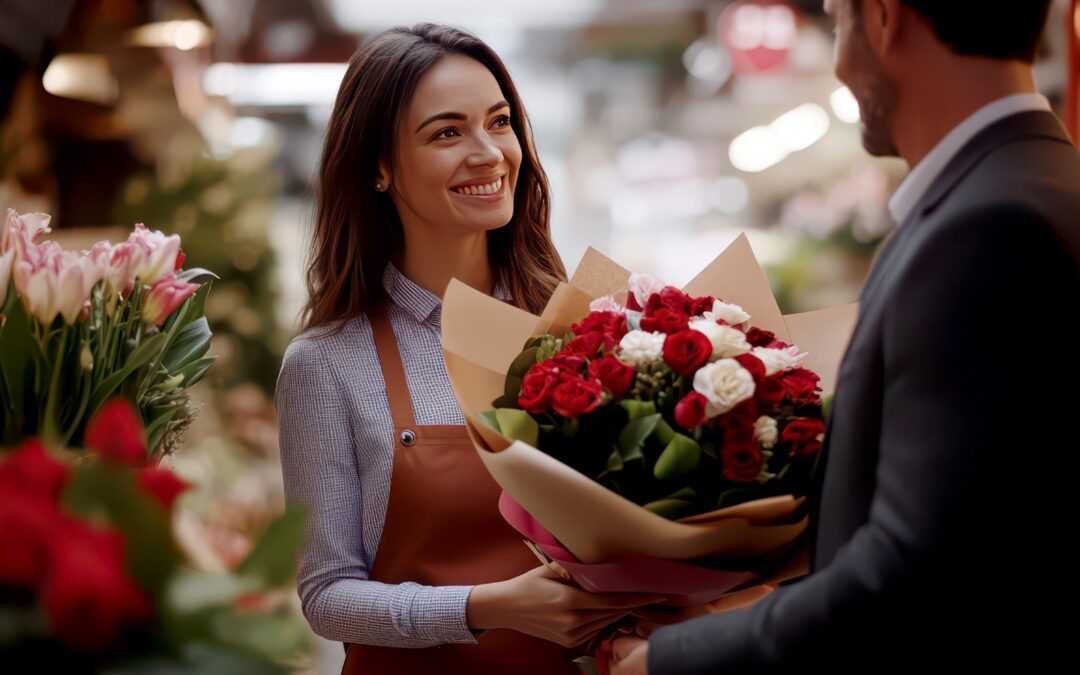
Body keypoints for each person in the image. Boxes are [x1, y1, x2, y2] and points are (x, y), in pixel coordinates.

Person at [612, 1, 1080, 672]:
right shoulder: (1038, 183)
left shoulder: (984, 231)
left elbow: (910, 574)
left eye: (836, 19)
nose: (836, 61)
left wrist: (667, 660)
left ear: (886, 17)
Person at [276, 23, 660, 675]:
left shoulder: (590, 324)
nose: (488, 152)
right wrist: (485, 606)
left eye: (499, 122)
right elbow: (327, 596)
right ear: (378, 165)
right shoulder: (326, 362)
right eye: (447, 132)